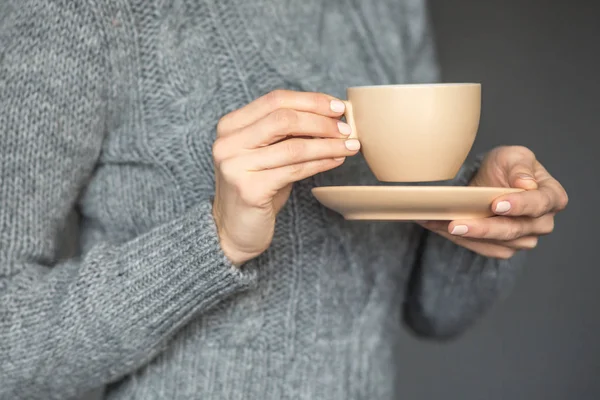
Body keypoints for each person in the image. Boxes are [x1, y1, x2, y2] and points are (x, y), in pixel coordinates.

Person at [0, 0, 568, 399]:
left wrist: (482, 212)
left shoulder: (388, 8)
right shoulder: (79, 12)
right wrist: (213, 241)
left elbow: (434, 312)